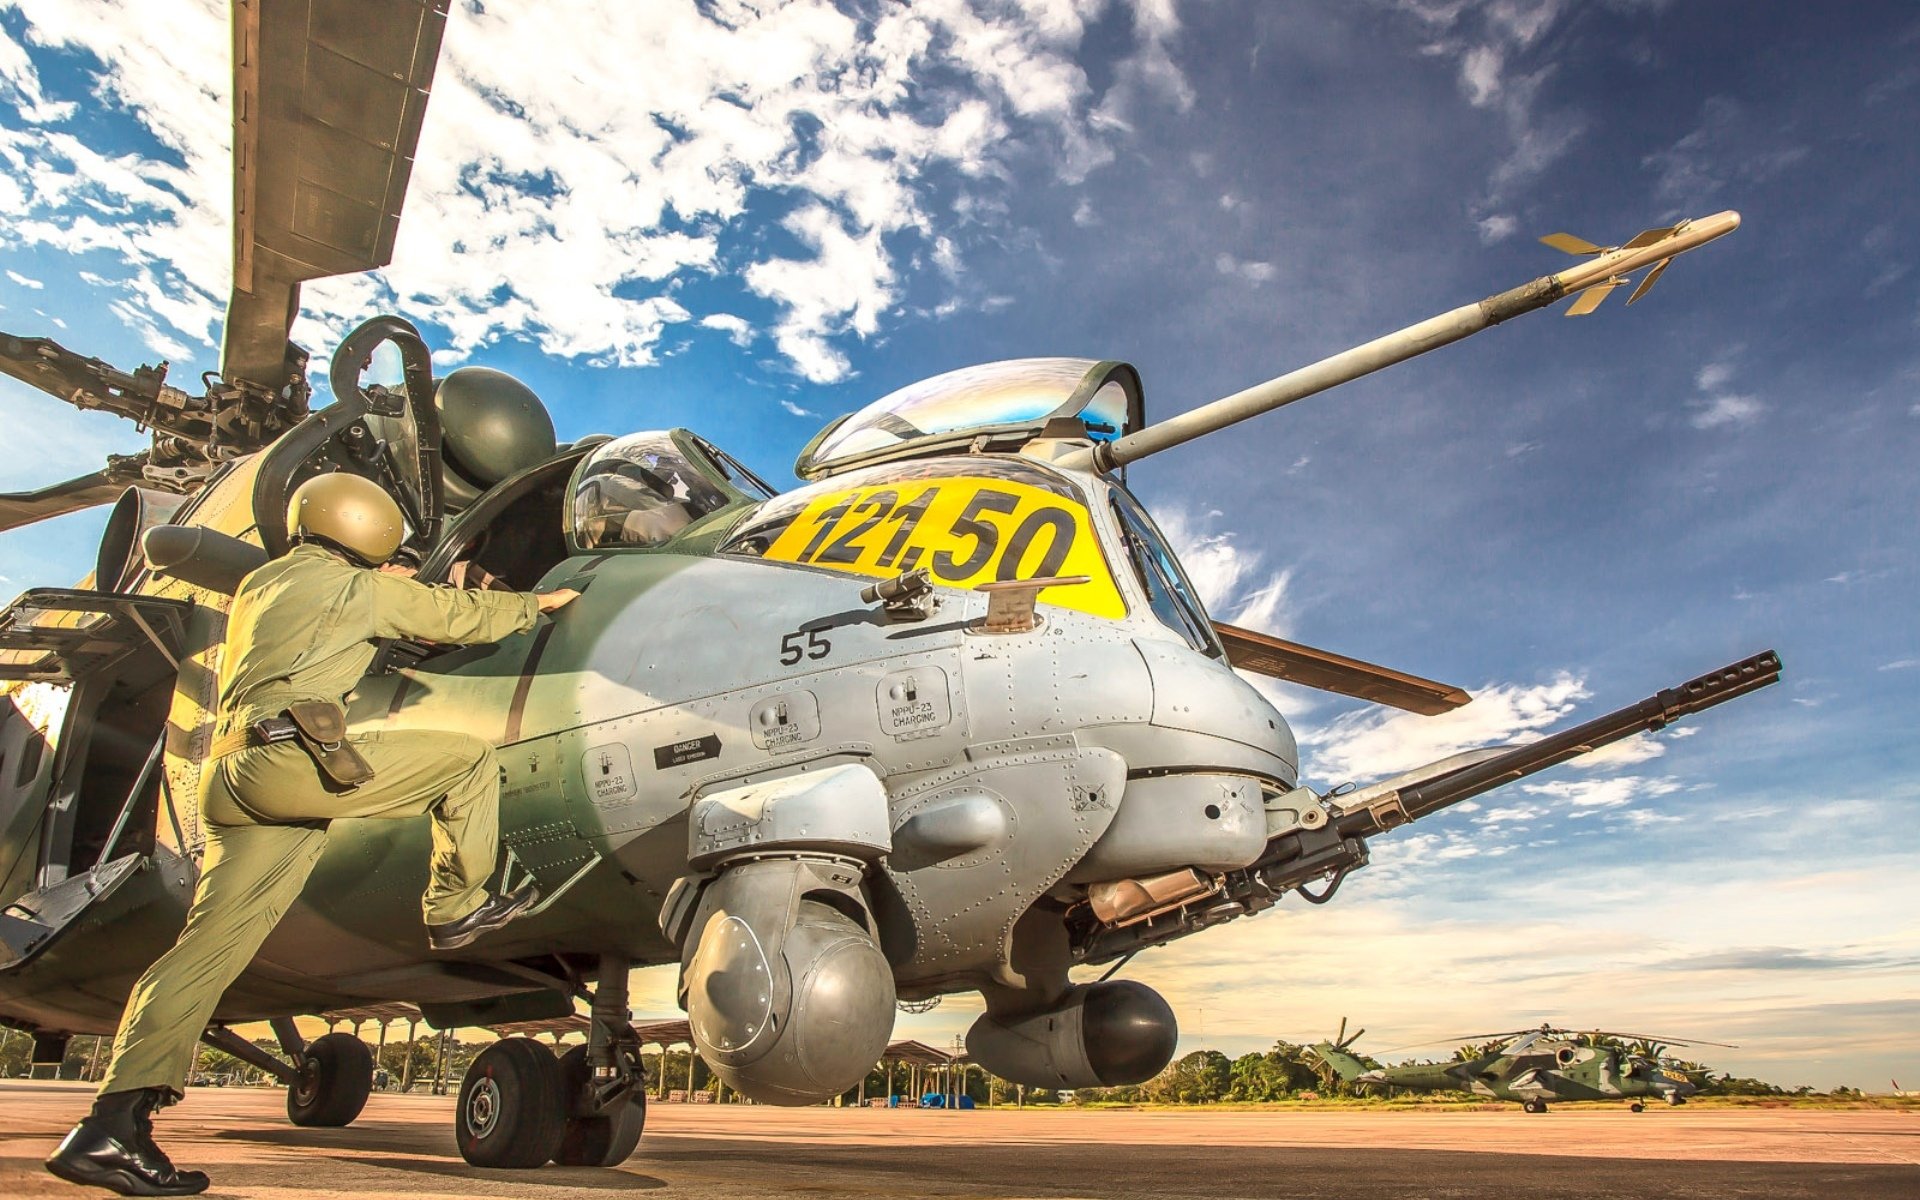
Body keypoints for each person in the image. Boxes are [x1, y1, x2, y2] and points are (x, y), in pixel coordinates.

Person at [45, 472, 580, 1196]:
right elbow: (454, 616)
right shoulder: (355, 589)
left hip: (233, 777)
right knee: (467, 760)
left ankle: (111, 1128)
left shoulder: (263, 586)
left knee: (202, 957)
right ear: (365, 527)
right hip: (295, 763)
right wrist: (538, 603)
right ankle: (453, 909)